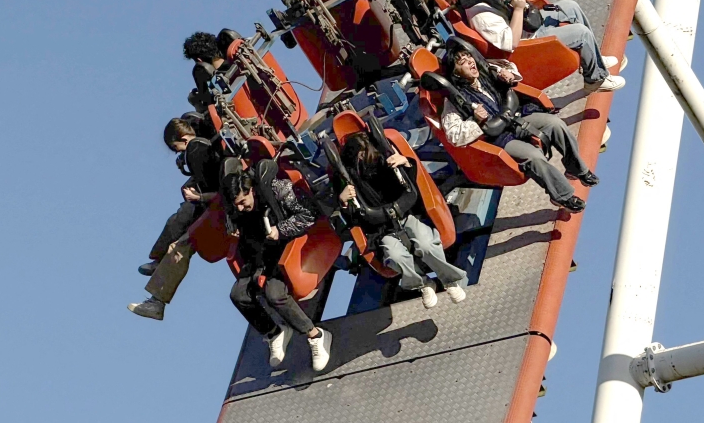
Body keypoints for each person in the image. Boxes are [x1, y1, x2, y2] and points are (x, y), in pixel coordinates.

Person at [439, 45, 598, 213]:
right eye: (463, 62)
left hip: (516, 116)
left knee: (556, 124)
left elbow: (512, 71)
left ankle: (576, 168)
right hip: (500, 136)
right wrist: (476, 121)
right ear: (456, 73)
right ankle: (563, 196)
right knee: (534, 157)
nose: (470, 62)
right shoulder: (456, 101)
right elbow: (453, 135)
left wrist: (508, 75)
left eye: (469, 57)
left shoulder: (486, 70)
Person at [444, 0, 625, 93]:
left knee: (570, 7)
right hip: (529, 41)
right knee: (581, 34)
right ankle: (595, 79)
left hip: (528, 23)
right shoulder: (481, 16)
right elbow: (510, 43)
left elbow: (503, 5)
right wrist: (518, 10)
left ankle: (594, 60)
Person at [335, 132, 468, 309]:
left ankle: (449, 280)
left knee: (426, 244)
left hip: (407, 213)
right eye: (360, 155)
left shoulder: (384, 160)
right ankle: (423, 283)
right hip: (381, 227)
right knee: (395, 256)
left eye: (365, 154)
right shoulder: (347, 179)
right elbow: (353, 217)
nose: (363, 159)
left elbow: (411, 184)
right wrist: (343, 201)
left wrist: (405, 163)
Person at [224, 159, 331, 371]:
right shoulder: (237, 210)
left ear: (251, 190)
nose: (241, 207)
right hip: (259, 255)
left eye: (243, 201)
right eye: (236, 204)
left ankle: (315, 335)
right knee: (239, 295)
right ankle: (274, 333)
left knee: (275, 294)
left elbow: (308, 214)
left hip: (286, 250)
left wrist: (280, 229)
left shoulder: (278, 190)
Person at [127, 117, 224, 320]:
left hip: (218, 209)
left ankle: (157, 302)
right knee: (177, 221)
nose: (180, 154)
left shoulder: (197, 150)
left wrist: (199, 197)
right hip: (209, 203)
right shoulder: (202, 146)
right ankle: (158, 262)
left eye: (178, 149)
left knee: (179, 248)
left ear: (183, 139)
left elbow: (218, 190)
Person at [183, 31, 230, 108]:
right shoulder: (239, 63)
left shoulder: (219, 84)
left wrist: (196, 103)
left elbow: (209, 109)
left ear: (199, 60)